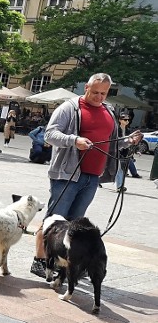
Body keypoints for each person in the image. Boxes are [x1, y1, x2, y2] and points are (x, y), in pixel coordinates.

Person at [29, 73, 143, 277]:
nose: (100, 97)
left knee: (74, 224)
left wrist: (129, 141)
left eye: (104, 93)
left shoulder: (109, 110)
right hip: (67, 174)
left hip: (93, 177)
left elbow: (112, 141)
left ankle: (63, 264)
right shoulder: (69, 107)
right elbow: (50, 134)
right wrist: (75, 140)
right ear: (87, 88)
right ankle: (39, 260)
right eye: (96, 92)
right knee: (53, 220)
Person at [114, 113, 141, 191]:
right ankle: (98, 181)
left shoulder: (128, 130)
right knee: (108, 168)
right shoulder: (116, 129)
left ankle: (119, 186)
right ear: (120, 120)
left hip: (122, 152)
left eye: (128, 120)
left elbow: (131, 141)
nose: (127, 121)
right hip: (114, 151)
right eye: (124, 119)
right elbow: (118, 140)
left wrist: (137, 150)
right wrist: (128, 137)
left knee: (119, 169)